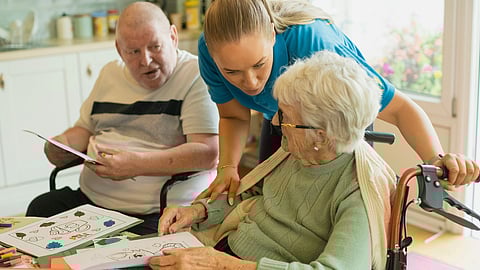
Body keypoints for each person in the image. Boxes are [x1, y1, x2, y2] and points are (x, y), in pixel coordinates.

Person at [197, 0, 480, 205]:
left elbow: (400, 109)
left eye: (259, 65)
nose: (251, 83)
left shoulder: (315, 45)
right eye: (231, 72)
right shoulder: (209, 53)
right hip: (284, 120)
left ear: (272, 34)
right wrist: (228, 168)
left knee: (340, 206)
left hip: (338, 116)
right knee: (269, 197)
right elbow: (234, 116)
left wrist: (436, 162)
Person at [151, 51, 397, 270]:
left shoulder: (358, 190)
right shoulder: (297, 152)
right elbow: (252, 194)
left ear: (320, 136)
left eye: (285, 116)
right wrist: (199, 211)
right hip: (226, 251)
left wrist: (223, 265)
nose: (277, 124)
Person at [26, 1, 219, 235]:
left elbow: (208, 153)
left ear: (173, 37)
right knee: (41, 209)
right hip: (91, 202)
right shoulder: (110, 73)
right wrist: (61, 145)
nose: (146, 60)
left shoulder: (195, 75)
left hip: (157, 211)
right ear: (119, 50)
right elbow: (84, 130)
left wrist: (135, 165)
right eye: (134, 51)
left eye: (155, 46)